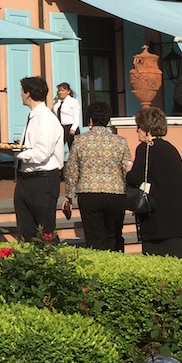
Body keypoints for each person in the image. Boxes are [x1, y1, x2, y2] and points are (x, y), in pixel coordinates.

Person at [127, 106, 182, 259]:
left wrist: (128, 169)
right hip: (179, 219)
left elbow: (135, 178)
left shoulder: (146, 148)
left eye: (138, 127)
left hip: (158, 221)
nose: (137, 131)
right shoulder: (171, 148)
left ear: (147, 129)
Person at [61, 101, 132, 251]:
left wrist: (68, 196)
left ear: (91, 120)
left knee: (94, 239)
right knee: (113, 236)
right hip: (116, 193)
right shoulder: (120, 141)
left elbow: (72, 169)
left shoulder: (80, 141)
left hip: (89, 193)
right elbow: (127, 168)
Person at [12, 76, 64, 241]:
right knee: (25, 229)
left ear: (28, 94)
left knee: (45, 231)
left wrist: (15, 153)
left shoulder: (46, 119)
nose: (20, 95)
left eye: (22, 91)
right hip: (25, 178)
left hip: (42, 180)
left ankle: (51, 265)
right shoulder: (33, 116)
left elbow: (42, 153)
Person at [53, 82, 81, 148]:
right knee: (58, 147)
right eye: (59, 90)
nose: (60, 92)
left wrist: (73, 128)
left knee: (73, 148)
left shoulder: (73, 102)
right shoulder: (57, 103)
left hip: (70, 127)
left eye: (63, 90)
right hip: (61, 127)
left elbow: (76, 116)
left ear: (68, 91)